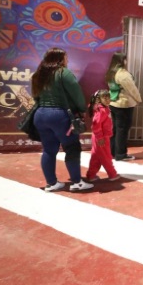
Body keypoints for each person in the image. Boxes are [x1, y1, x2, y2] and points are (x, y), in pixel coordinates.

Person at [31, 48, 94, 192]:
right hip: (59, 115)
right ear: (59, 59)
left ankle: (51, 183)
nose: (68, 60)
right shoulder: (63, 73)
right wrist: (82, 109)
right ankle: (76, 182)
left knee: (48, 150)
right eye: (66, 58)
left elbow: (35, 96)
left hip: (40, 114)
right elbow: (76, 93)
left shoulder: (38, 74)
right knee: (72, 147)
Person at [105, 53, 142, 162]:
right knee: (123, 130)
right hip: (124, 104)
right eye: (125, 60)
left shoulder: (110, 72)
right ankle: (121, 154)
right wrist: (139, 99)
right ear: (122, 61)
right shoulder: (123, 74)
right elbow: (132, 89)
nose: (126, 62)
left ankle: (112, 152)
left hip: (113, 103)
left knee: (115, 129)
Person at [86, 89, 120, 182]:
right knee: (106, 156)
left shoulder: (102, 109)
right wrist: (100, 137)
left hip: (99, 137)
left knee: (96, 157)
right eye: (105, 98)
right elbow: (96, 125)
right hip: (102, 138)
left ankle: (91, 175)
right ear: (99, 99)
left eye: (108, 97)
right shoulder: (102, 110)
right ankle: (112, 174)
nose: (107, 100)